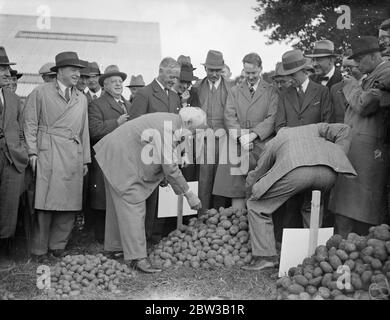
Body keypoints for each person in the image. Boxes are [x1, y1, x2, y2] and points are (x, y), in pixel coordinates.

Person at [93, 107, 204, 272]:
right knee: (133, 204)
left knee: (119, 204)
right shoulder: (169, 128)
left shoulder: (172, 121)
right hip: (122, 157)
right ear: (187, 123)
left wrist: (163, 176)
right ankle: (137, 258)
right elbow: (170, 166)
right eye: (194, 131)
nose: (194, 135)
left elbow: (159, 155)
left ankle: (116, 248)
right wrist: (189, 194)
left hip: (114, 153)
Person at [243, 123, 356, 270]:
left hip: (297, 172)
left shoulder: (276, 140)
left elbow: (259, 171)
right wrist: (336, 154)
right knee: (312, 207)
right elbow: (345, 129)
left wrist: (249, 191)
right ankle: (315, 257)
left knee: (257, 206)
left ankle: (266, 258)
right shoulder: (314, 128)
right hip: (328, 172)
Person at [23, 51, 91, 262]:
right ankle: (39, 250)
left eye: (79, 71)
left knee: (69, 203)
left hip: (73, 153)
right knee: (45, 204)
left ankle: (57, 247)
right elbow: (30, 123)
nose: (77, 75)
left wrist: (85, 159)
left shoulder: (81, 98)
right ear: (59, 71)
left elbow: (84, 130)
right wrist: (32, 151)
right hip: (48, 150)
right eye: (73, 70)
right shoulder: (40, 92)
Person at [329, 36, 390, 237]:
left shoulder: (387, 73)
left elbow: (365, 105)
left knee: (366, 209)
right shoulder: (372, 74)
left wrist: (351, 85)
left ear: (373, 57)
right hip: (355, 150)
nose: (356, 64)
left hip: (370, 153)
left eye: (360, 59)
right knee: (345, 205)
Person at [213, 52, 278, 209]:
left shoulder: (271, 91)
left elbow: (272, 117)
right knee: (236, 189)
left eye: (253, 73)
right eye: (247, 72)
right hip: (237, 145)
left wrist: (254, 135)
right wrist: (240, 136)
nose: (250, 76)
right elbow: (229, 116)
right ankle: (238, 221)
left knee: (260, 187)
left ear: (261, 69)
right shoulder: (235, 91)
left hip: (261, 144)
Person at [128, 57, 181, 244]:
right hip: (147, 153)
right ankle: (139, 240)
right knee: (146, 198)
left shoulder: (174, 97)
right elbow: (133, 126)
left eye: (175, 76)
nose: (173, 79)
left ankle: (153, 237)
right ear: (160, 70)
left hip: (166, 154)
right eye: (169, 75)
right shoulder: (144, 93)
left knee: (160, 197)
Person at [88, 65, 131, 244]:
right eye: (113, 82)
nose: (118, 84)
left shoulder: (129, 104)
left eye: (120, 81)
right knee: (102, 198)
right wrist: (117, 122)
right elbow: (94, 130)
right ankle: (101, 238)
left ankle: (117, 237)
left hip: (124, 158)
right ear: (104, 86)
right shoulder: (96, 105)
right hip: (105, 157)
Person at [194, 50, 233, 213]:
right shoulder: (197, 88)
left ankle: (220, 216)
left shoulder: (232, 88)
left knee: (221, 181)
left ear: (222, 69)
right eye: (211, 70)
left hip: (224, 141)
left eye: (218, 70)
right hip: (202, 141)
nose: (214, 74)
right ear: (205, 69)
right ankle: (201, 216)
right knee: (203, 180)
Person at [0, 47, 28, 266]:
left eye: (6, 69)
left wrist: (21, 150)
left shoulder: (11, 98)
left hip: (12, 158)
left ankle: (4, 252)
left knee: (9, 205)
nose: (6, 74)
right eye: (0, 69)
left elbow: (18, 128)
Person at [275, 49, 332, 131]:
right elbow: (279, 126)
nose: (289, 79)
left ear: (304, 71)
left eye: (292, 75)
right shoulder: (283, 95)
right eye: (287, 75)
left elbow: (327, 123)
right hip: (291, 142)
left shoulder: (322, 91)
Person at [330, 57, 364, 123]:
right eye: (343, 67)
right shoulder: (334, 89)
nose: (344, 70)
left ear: (360, 67)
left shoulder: (368, 86)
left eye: (349, 67)